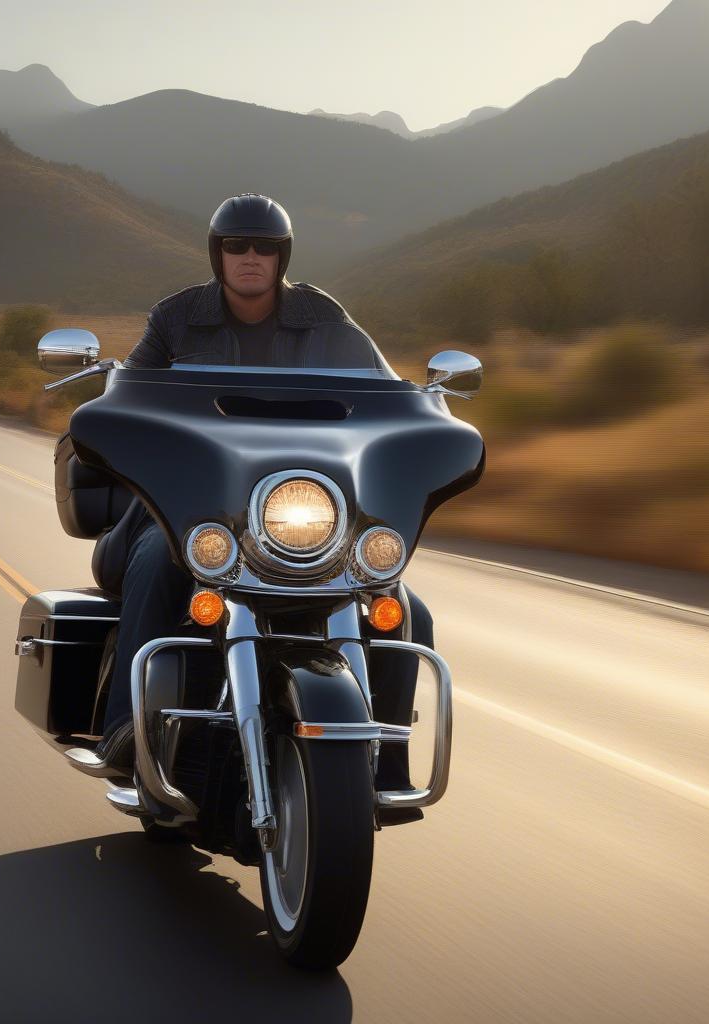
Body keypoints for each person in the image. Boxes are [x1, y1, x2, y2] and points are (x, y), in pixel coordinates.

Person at [92, 194, 433, 800]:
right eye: (237, 246)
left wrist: (425, 401)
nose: (251, 257)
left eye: (265, 247)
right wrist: (111, 400)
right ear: (217, 254)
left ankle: (385, 758)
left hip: (305, 507)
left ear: (282, 256)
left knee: (409, 610)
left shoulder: (324, 316)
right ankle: (124, 731)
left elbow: (385, 389)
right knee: (151, 564)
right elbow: (130, 396)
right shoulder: (176, 318)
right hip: (197, 503)